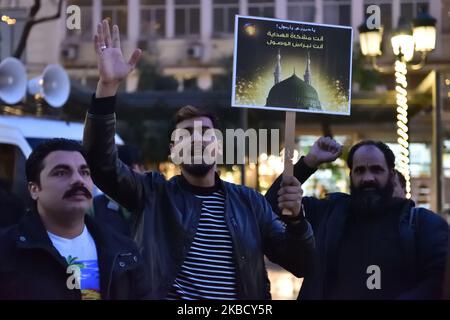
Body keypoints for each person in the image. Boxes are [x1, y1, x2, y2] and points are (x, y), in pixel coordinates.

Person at [83, 20, 315, 300]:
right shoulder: (154, 194)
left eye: (205, 132)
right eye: (186, 134)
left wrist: (297, 221)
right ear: (173, 150)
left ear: (218, 146)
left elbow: (300, 264)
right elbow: (101, 163)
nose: (196, 139)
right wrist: (107, 88)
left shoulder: (250, 204)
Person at [266, 139, 449, 299]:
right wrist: (308, 162)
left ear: (391, 176)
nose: (368, 178)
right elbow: (268, 208)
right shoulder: (328, 213)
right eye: (360, 170)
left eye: (376, 170)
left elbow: (438, 280)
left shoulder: (423, 225)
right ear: (351, 176)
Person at [0, 139, 149, 300]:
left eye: (84, 172)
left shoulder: (124, 252)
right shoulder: (6, 251)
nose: (78, 180)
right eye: (61, 172)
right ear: (34, 189)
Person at [91, 145, 145, 237]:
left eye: (137, 167)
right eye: (124, 170)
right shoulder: (95, 206)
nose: (130, 176)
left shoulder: (154, 203)